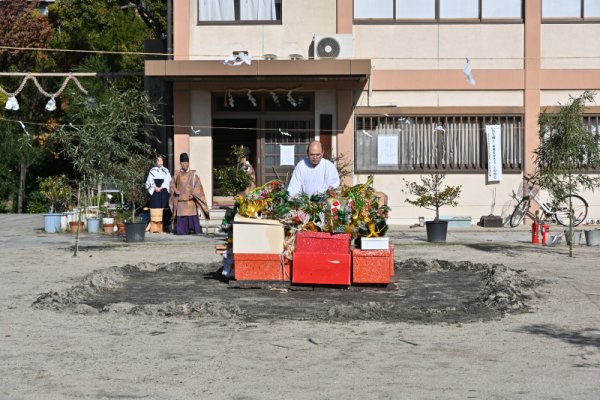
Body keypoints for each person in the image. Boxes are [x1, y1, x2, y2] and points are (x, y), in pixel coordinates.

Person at [169, 153, 210, 235]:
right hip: (181, 202)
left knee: (193, 218)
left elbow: (198, 186)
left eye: (187, 162)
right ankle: (182, 231)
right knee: (181, 227)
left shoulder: (194, 175)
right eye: (183, 162)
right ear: (180, 163)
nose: (186, 164)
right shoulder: (176, 174)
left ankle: (194, 230)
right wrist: (175, 190)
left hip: (191, 201)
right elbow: (172, 185)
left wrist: (194, 194)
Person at [146, 156, 172, 233]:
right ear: (156, 162)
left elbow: (168, 181)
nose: (159, 162)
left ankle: (165, 226)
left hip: (163, 190)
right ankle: (154, 225)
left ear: (163, 162)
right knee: (154, 206)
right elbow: (149, 180)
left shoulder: (166, 170)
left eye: (161, 160)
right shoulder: (152, 170)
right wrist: (154, 187)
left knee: (164, 207)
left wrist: (162, 187)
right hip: (155, 190)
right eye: (158, 160)